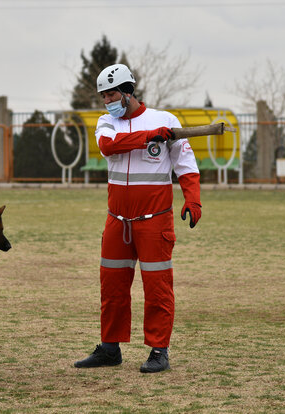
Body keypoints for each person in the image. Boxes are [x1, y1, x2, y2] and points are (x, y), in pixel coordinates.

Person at [73, 63, 201, 373]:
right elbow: (108, 146)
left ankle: (159, 350)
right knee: (112, 286)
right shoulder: (106, 122)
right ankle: (109, 348)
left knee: (157, 286)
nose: (108, 101)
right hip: (117, 221)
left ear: (129, 91)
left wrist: (193, 199)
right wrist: (149, 137)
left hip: (154, 221)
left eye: (113, 94)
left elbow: (186, 164)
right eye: (104, 96)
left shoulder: (166, 121)